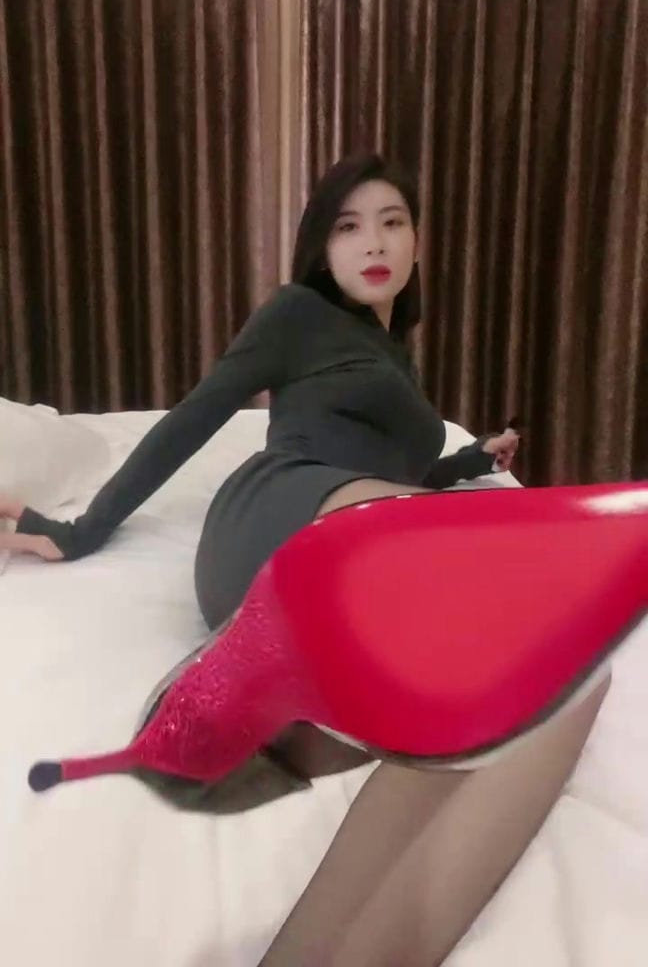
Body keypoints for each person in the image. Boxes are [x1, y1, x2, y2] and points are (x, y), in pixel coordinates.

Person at [0, 153, 609, 966]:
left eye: (392, 222)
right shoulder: (297, 314)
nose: (373, 242)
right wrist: (81, 529)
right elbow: (193, 417)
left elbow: (389, 467)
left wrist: (466, 462)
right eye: (348, 227)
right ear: (322, 248)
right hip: (279, 510)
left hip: (354, 532)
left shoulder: (396, 360)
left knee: (573, 676)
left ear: (417, 242)